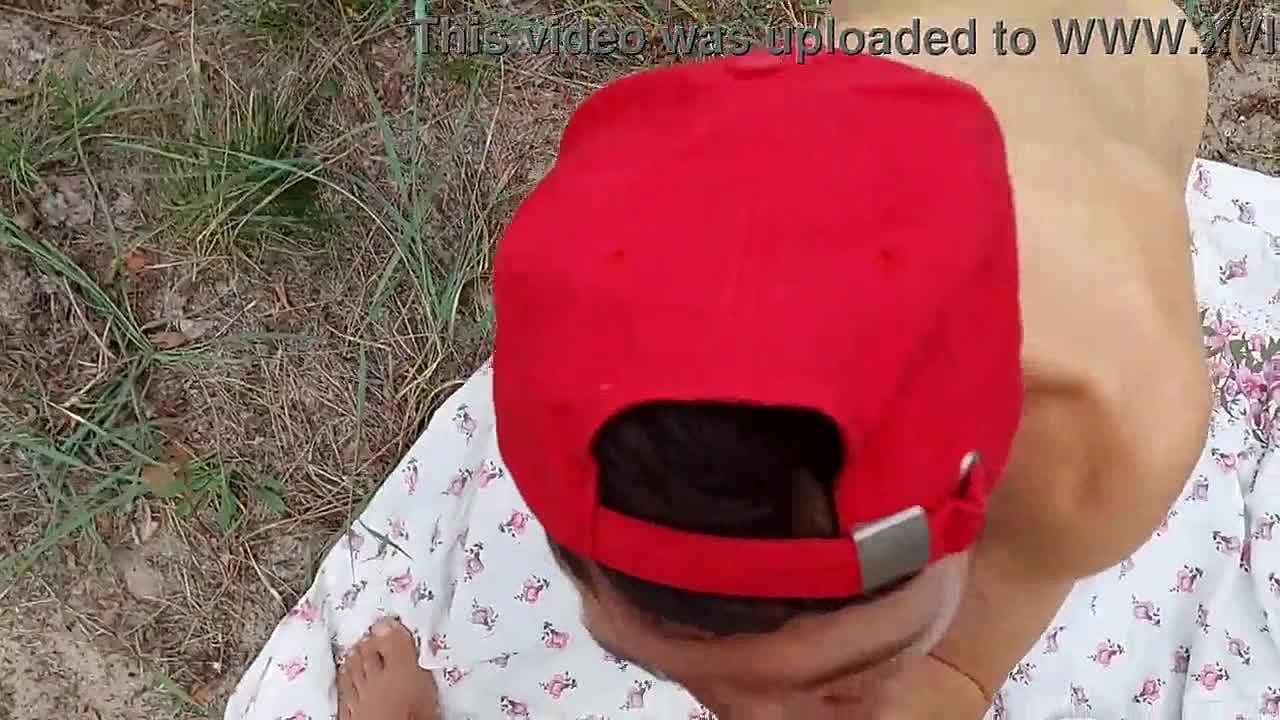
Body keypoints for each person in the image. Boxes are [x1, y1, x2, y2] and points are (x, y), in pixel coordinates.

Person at [228, 0, 1280, 717]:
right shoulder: (616, 330)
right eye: (661, 670)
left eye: (845, 682)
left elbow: (957, 677)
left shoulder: (1109, 433)